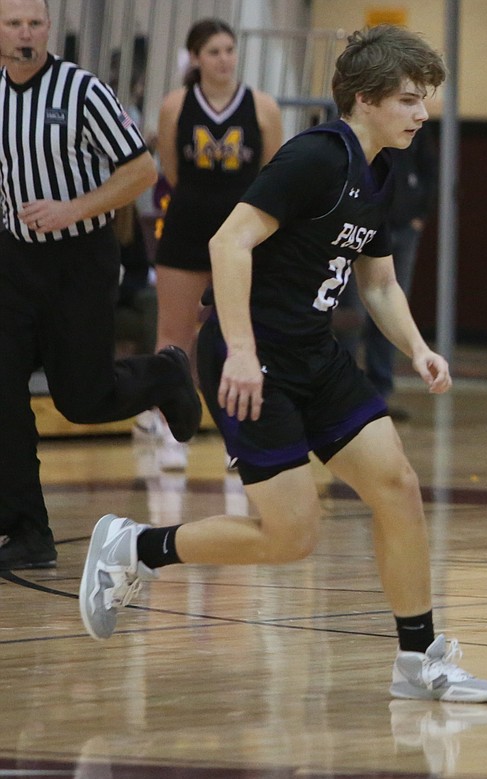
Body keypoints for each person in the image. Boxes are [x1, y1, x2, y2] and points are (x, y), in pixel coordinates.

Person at [78, 24, 487, 703]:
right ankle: (136, 547)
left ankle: (419, 661)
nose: (423, 114)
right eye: (410, 99)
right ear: (365, 98)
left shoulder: (377, 171)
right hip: (254, 356)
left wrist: (418, 348)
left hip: (314, 352)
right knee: (291, 537)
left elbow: (380, 283)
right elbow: (228, 242)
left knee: (396, 485)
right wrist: (241, 352)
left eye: (426, 100)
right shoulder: (315, 158)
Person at [0, 0, 201, 571]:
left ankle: (166, 371)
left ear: (47, 30)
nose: (26, 33)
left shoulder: (82, 91)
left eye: (35, 23)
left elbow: (141, 170)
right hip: (12, 262)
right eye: (14, 23)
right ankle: (27, 531)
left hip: (79, 259)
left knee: (81, 398)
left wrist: (72, 209)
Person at [147, 18, 283, 470]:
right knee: (175, 335)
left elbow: (273, 175)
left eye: (229, 49)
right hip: (186, 229)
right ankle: (169, 428)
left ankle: (242, 435)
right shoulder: (175, 105)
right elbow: (170, 169)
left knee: (241, 334)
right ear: (195, 58)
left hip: (242, 236)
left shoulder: (263, 107)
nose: (224, 59)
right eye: (214, 51)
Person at [336, 120, 438, 421]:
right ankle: (345, 392)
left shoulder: (415, 130)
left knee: (391, 304)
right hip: (363, 226)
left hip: (401, 227)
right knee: (353, 314)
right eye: (407, 99)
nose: (417, 112)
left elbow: (431, 172)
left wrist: (419, 215)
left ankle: (379, 394)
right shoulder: (340, 142)